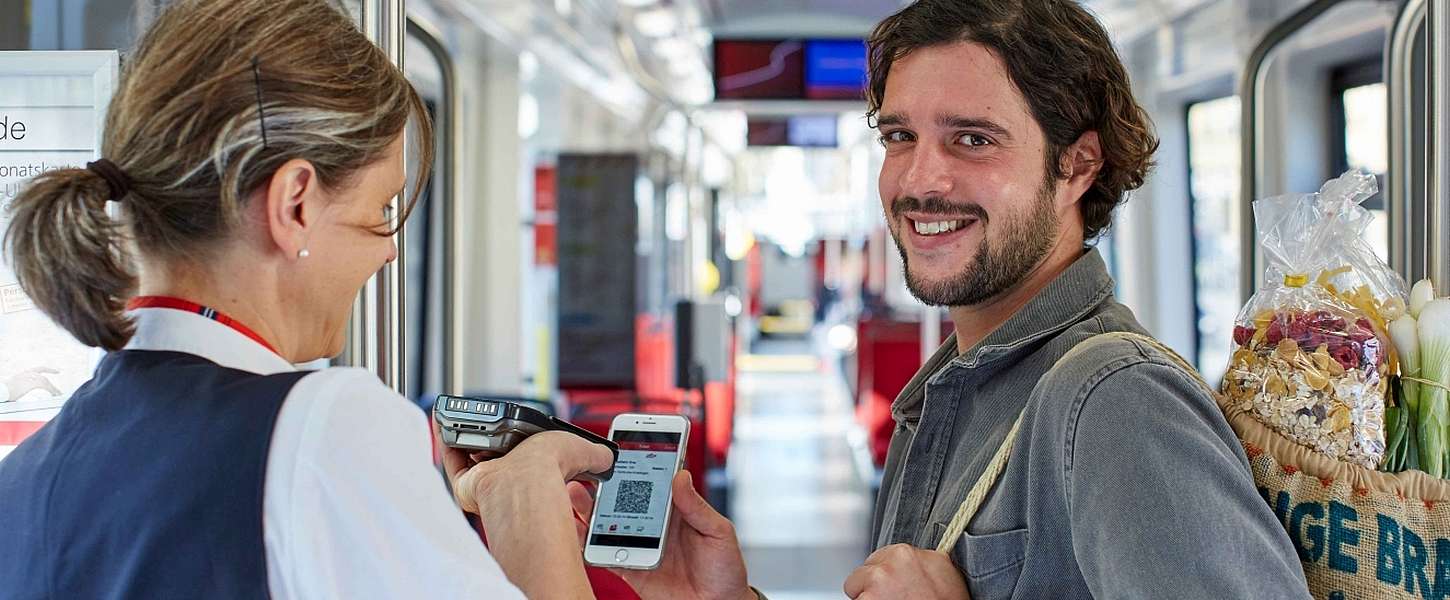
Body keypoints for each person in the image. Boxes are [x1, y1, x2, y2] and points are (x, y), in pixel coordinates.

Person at [570, 1, 1311, 599]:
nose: (920, 180)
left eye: (973, 140)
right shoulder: (960, 388)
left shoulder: (1116, 402)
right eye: (899, 135)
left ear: (1078, 165)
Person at [0, 0, 614, 597]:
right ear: (294, 203)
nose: (389, 252)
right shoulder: (322, 428)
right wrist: (523, 495)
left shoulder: (25, 478)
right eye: (379, 212)